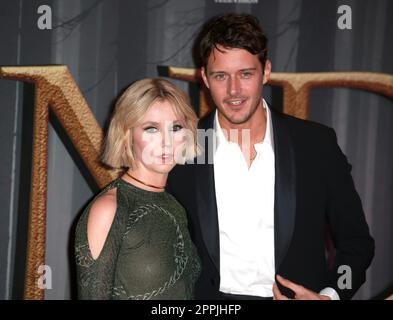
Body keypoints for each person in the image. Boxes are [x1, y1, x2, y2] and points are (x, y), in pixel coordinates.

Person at [167, 13, 374, 300]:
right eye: (221, 76)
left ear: (266, 71)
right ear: (204, 77)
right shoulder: (182, 151)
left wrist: (330, 294)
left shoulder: (315, 144)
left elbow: (356, 241)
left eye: (246, 74)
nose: (234, 91)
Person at [74, 78, 201, 299]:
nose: (167, 142)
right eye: (151, 129)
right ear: (127, 134)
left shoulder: (175, 205)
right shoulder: (109, 209)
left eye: (176, 128)